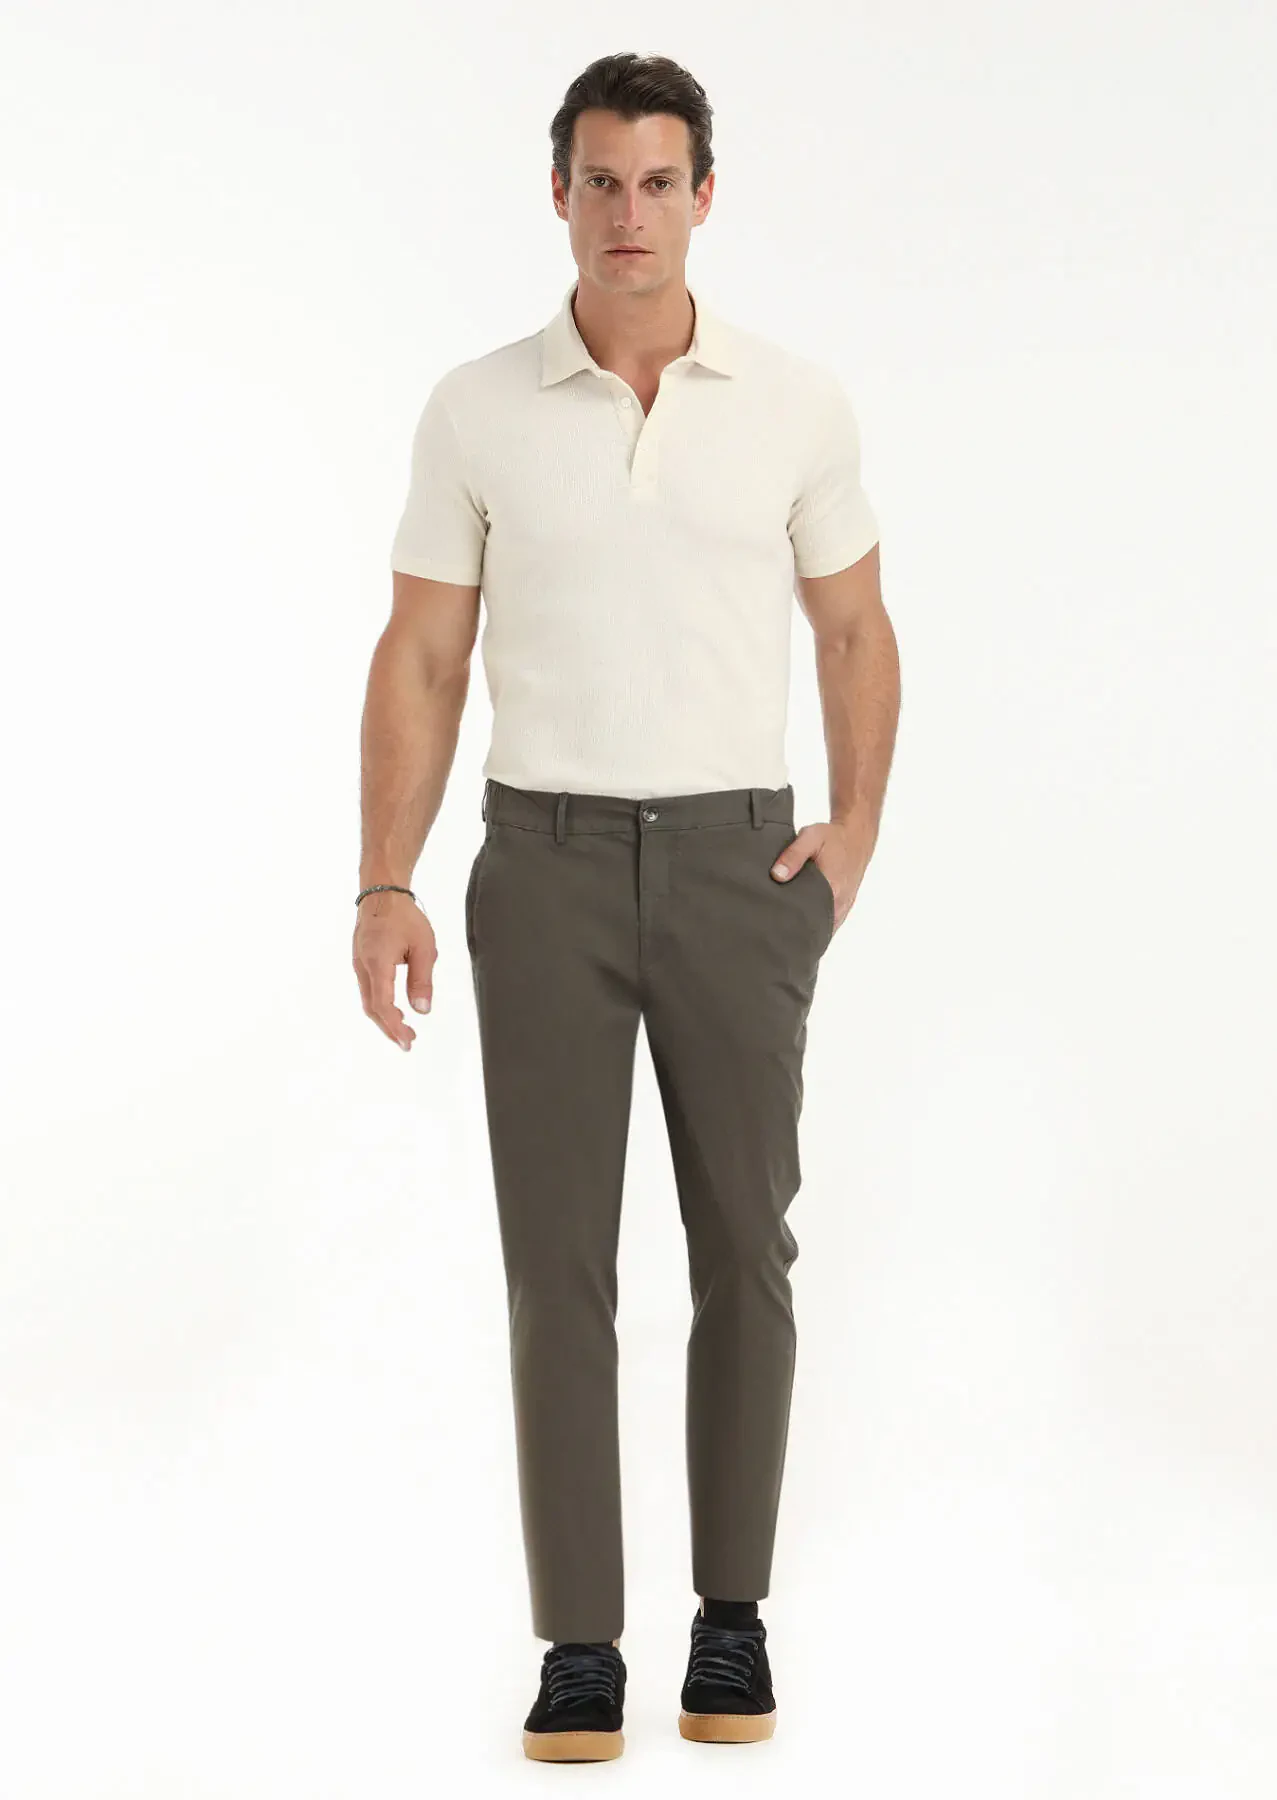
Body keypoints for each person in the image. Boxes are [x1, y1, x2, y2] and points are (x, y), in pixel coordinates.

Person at [354, 50, 900, 1762]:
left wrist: (854, 836)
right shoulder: (478, 409)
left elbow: (856, 628)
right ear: (561, 196)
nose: (630, 213)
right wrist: (385, 878)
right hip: (547, 869)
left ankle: (731, 1621)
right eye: (601, 181)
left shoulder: (795, 403)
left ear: (705, 196)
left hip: (742, 870)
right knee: (557, 1268)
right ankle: (579, 1647)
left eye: (661, 182)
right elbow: (423, 655)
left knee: (745, 1245)